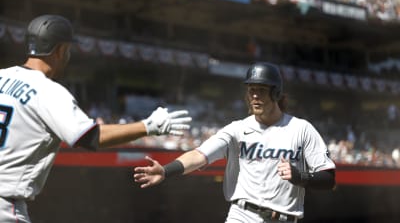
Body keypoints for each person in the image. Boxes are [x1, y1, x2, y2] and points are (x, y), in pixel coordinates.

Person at [0, 14, 192, 223]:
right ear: (61, 50)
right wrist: (148, 126)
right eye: (68, 50)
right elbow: (91, 137)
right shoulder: (48, 91)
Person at [134, 62, 336, 223]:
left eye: (261, 90)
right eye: (251, 90)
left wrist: (301, 177)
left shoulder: (301, 129)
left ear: (276, 93)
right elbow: (199, 155)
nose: (254, 96)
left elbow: (328, 178)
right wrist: (166, 171)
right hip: (243, 215)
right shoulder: (237, 129)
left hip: (284, 218)